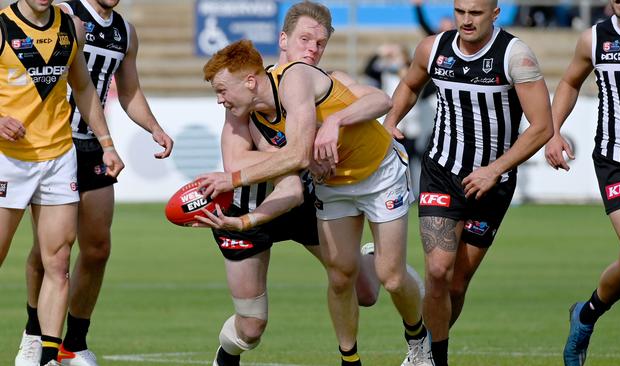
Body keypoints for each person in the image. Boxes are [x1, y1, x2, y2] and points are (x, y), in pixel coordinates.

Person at [192, 3, 424, 365]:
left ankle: (379, 273)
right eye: (305, 40)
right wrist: (275, 173)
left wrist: (340, 123)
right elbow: (238, 162)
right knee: (250, 328)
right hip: (257, 203)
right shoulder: (243, 96)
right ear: (282, 40)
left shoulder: (325, 80)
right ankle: (227, 354)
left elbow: (378, 99)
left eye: (320, 43)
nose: (312, 50)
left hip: (307, 198)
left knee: (366, 291)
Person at [383, 0, 554, 364]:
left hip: (493, 184)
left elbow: (542, 126)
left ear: (495, 13)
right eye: (460, 11)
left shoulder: (515, 56)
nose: (466, 20)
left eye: (475, 13)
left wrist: (495, 170)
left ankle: (425, 345)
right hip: (442, 173)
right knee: (438, 270)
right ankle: (430, 359)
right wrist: (391, 119)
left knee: (456, 284)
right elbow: (410, 84)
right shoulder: (433, 48)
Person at [12, 1, 173, 365]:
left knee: (97, 248)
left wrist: (154, 127)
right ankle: (33, 334)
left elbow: (128, 91)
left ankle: (74, 344)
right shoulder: (63, 15)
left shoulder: (125, 32)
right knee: (50, 251)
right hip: (53, 145)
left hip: (91, 146)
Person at [0, 1, 124, 365]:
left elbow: (83, 88)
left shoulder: (72, 27)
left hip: (58, 158)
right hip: (9, 160)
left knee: (58, 261)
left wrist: (107, 145)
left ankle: (49, 356)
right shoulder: (3, 27)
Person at [544, 0, 620, 364]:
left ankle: (586, 314)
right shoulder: (594, 39)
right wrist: (552, 132)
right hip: (618, 162)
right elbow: (571, 81)